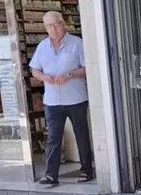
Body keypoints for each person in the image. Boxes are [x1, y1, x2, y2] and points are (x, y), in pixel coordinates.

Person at [29, 11, 93, 185]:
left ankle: (86, 170)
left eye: (56, 24)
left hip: (75, 99)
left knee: (81, 135)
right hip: (52, 100)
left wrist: (69, 75)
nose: (53, 29)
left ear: (63, 24)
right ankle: (51, 175)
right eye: (49, 26)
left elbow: (87, 68)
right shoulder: (43, 46)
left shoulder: (76, 43)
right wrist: (43, 77)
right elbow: (34, 70)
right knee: (53, 138)